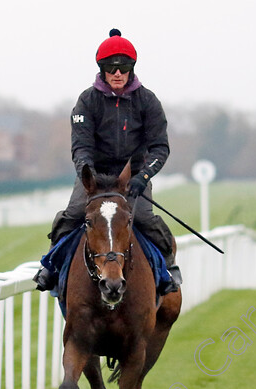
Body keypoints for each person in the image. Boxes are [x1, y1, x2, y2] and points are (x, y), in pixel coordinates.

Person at [34, 28, 181, 294]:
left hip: (132, 177)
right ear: (101, 69)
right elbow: (81, 147)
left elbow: (160, 147)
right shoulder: (87, 101)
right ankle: (51, 267)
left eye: (123, 67)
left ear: (131, 68)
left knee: (144, 219)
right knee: (72, 215)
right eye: (110, 67)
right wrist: (87, 176)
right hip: (96, 176)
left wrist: (143, 177)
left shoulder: (147, 101)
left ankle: (168, 269)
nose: (117, 73)